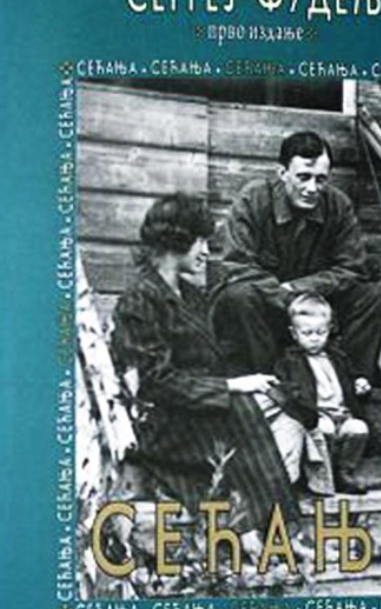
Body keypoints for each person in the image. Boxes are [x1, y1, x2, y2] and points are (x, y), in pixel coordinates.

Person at [110, 193, 305, 560]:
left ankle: (271, 531)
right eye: (201, 241)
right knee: (240, 409)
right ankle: (272, 533)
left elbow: (210, 362)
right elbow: (154, 382)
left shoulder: (190, 294)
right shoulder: (140, 299)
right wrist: (230, 386)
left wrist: (248, 384)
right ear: (177, 241)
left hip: (195, 410)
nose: (206, 251)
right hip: (162, 421)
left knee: (260, 405)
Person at [211, 130, 381, 381]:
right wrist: (284, 295)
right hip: (265, 308)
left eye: (321, 179)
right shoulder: (253, 199)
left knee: (375, 296)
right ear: (282, 172)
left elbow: (352, 268)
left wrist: (300, 289)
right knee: (238, 296)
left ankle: (347, 384)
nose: (312, 188)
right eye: (303, 177)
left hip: (316, 309)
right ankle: (269, 386)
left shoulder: (338, 205)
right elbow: (237, 265)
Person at [271, 293, 371, 494]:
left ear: (329, 329)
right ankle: (322, 476)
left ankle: (344, 471)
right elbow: (287, 390)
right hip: (316, 415)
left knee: (359, 429)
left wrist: (360, 384)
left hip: (343, 414)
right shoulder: (289, 360)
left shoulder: (338, 357)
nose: (315, 338)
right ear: (294, 333)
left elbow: (351, 377)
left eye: (321, 332)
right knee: (325, 429)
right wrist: (305, 408)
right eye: (307, 333)